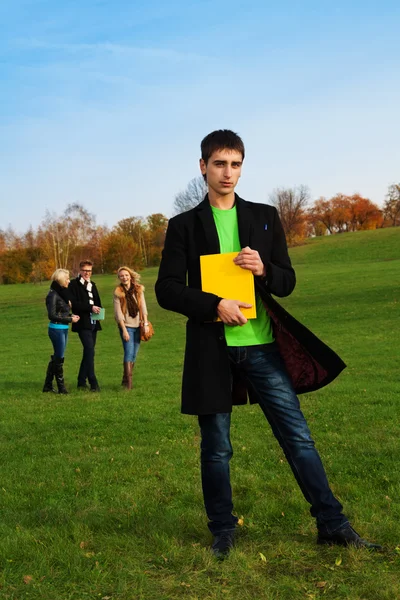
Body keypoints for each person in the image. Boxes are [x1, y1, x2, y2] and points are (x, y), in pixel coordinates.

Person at [155, 129, 381, 558]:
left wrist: (263, 270)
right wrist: (213, 305)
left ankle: (332, 524)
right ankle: (223, 530)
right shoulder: (183, 226)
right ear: (203, 167)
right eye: (219, 163)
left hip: (261, 346)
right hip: (211, 349)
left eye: (236, 164)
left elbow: (287, 282)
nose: (228, 173)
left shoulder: (264, 216)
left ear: (242, 167)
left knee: (298, 438)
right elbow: (166, 289)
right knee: (217, 448)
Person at [43, 269, 80, 394]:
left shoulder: (60, 293)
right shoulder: (52, 295)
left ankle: (47, 385)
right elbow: (52, 315)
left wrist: (70, 316)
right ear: (61, 280)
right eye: (67, 279)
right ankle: (61, 387)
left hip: (63, 329)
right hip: (56, 329)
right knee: (59, 358)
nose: (69, 281)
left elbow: (60, 312)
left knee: (57, 358)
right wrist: (70, 319)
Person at [69, 260, 102, 392]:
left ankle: (81, 381)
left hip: (94, 323)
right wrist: (90, 308)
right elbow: (74, 304)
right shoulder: (74, 284)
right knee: (90, 350)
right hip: (82, 323)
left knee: (89, 352)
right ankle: (93, 380)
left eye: (89, 271)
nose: (87, 273)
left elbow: (98, 302)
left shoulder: (92, 285)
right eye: (85, 271)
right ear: (80, 271)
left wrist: (99, 313)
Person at [113, 266, 149, 390]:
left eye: (126, 275)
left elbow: (143, 307)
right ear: (119, 278)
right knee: (128, 353)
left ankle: (125, 380)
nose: (124, 277)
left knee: (134, 354)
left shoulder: (138, 289)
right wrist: (124, 330)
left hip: (138, 325)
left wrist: (145, 323)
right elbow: (118, 314)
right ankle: (129, 385)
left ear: (130, 276)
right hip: (126, 326)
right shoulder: (118, 292)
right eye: (122, 276)